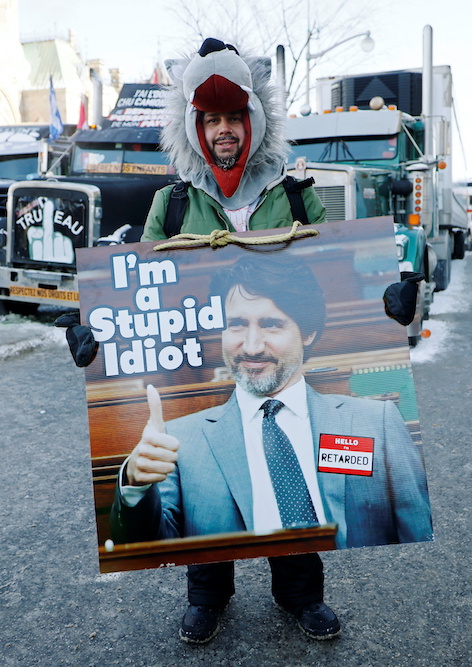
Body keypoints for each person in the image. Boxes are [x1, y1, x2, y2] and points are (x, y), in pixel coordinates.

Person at [110, 254, 432, 644]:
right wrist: (135, 484)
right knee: (211, 515)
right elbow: (151, 541)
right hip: (204, 539)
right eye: (236, 325)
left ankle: (302, 596)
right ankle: (207, 598)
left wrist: (394, 302)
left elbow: (415, 521)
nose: (251, 346)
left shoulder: (375, 422)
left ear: (308, 332)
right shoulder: (182, 437)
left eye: (272, 324)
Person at [141, 37, 325, 240]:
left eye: (234, 118)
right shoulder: (169, 204)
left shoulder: (298, 196)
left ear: (252, 124)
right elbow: (152, 267)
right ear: (196, 129)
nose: (224, 129)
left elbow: (327, 263)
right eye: (213, 120)